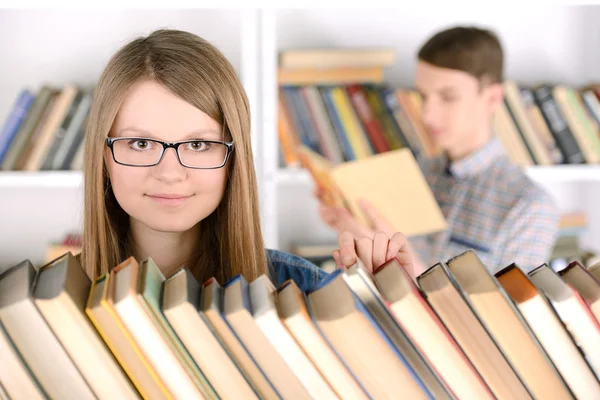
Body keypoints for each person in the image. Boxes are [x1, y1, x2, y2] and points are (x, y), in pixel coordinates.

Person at [79, 28, 412, 292]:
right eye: (140, 143)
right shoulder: (50, 302)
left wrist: (394, 313)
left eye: (198, 144)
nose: (170, 172)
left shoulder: (305, 290)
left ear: (233, 160)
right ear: (104, 156)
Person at [316, 26, 561, 276]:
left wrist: (403, 261)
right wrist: (349, 227)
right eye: (423, 96)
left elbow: (510, 315)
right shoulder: (414, 173)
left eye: (447, 97)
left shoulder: (529, 206)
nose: (427, 115)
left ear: (492, 98)